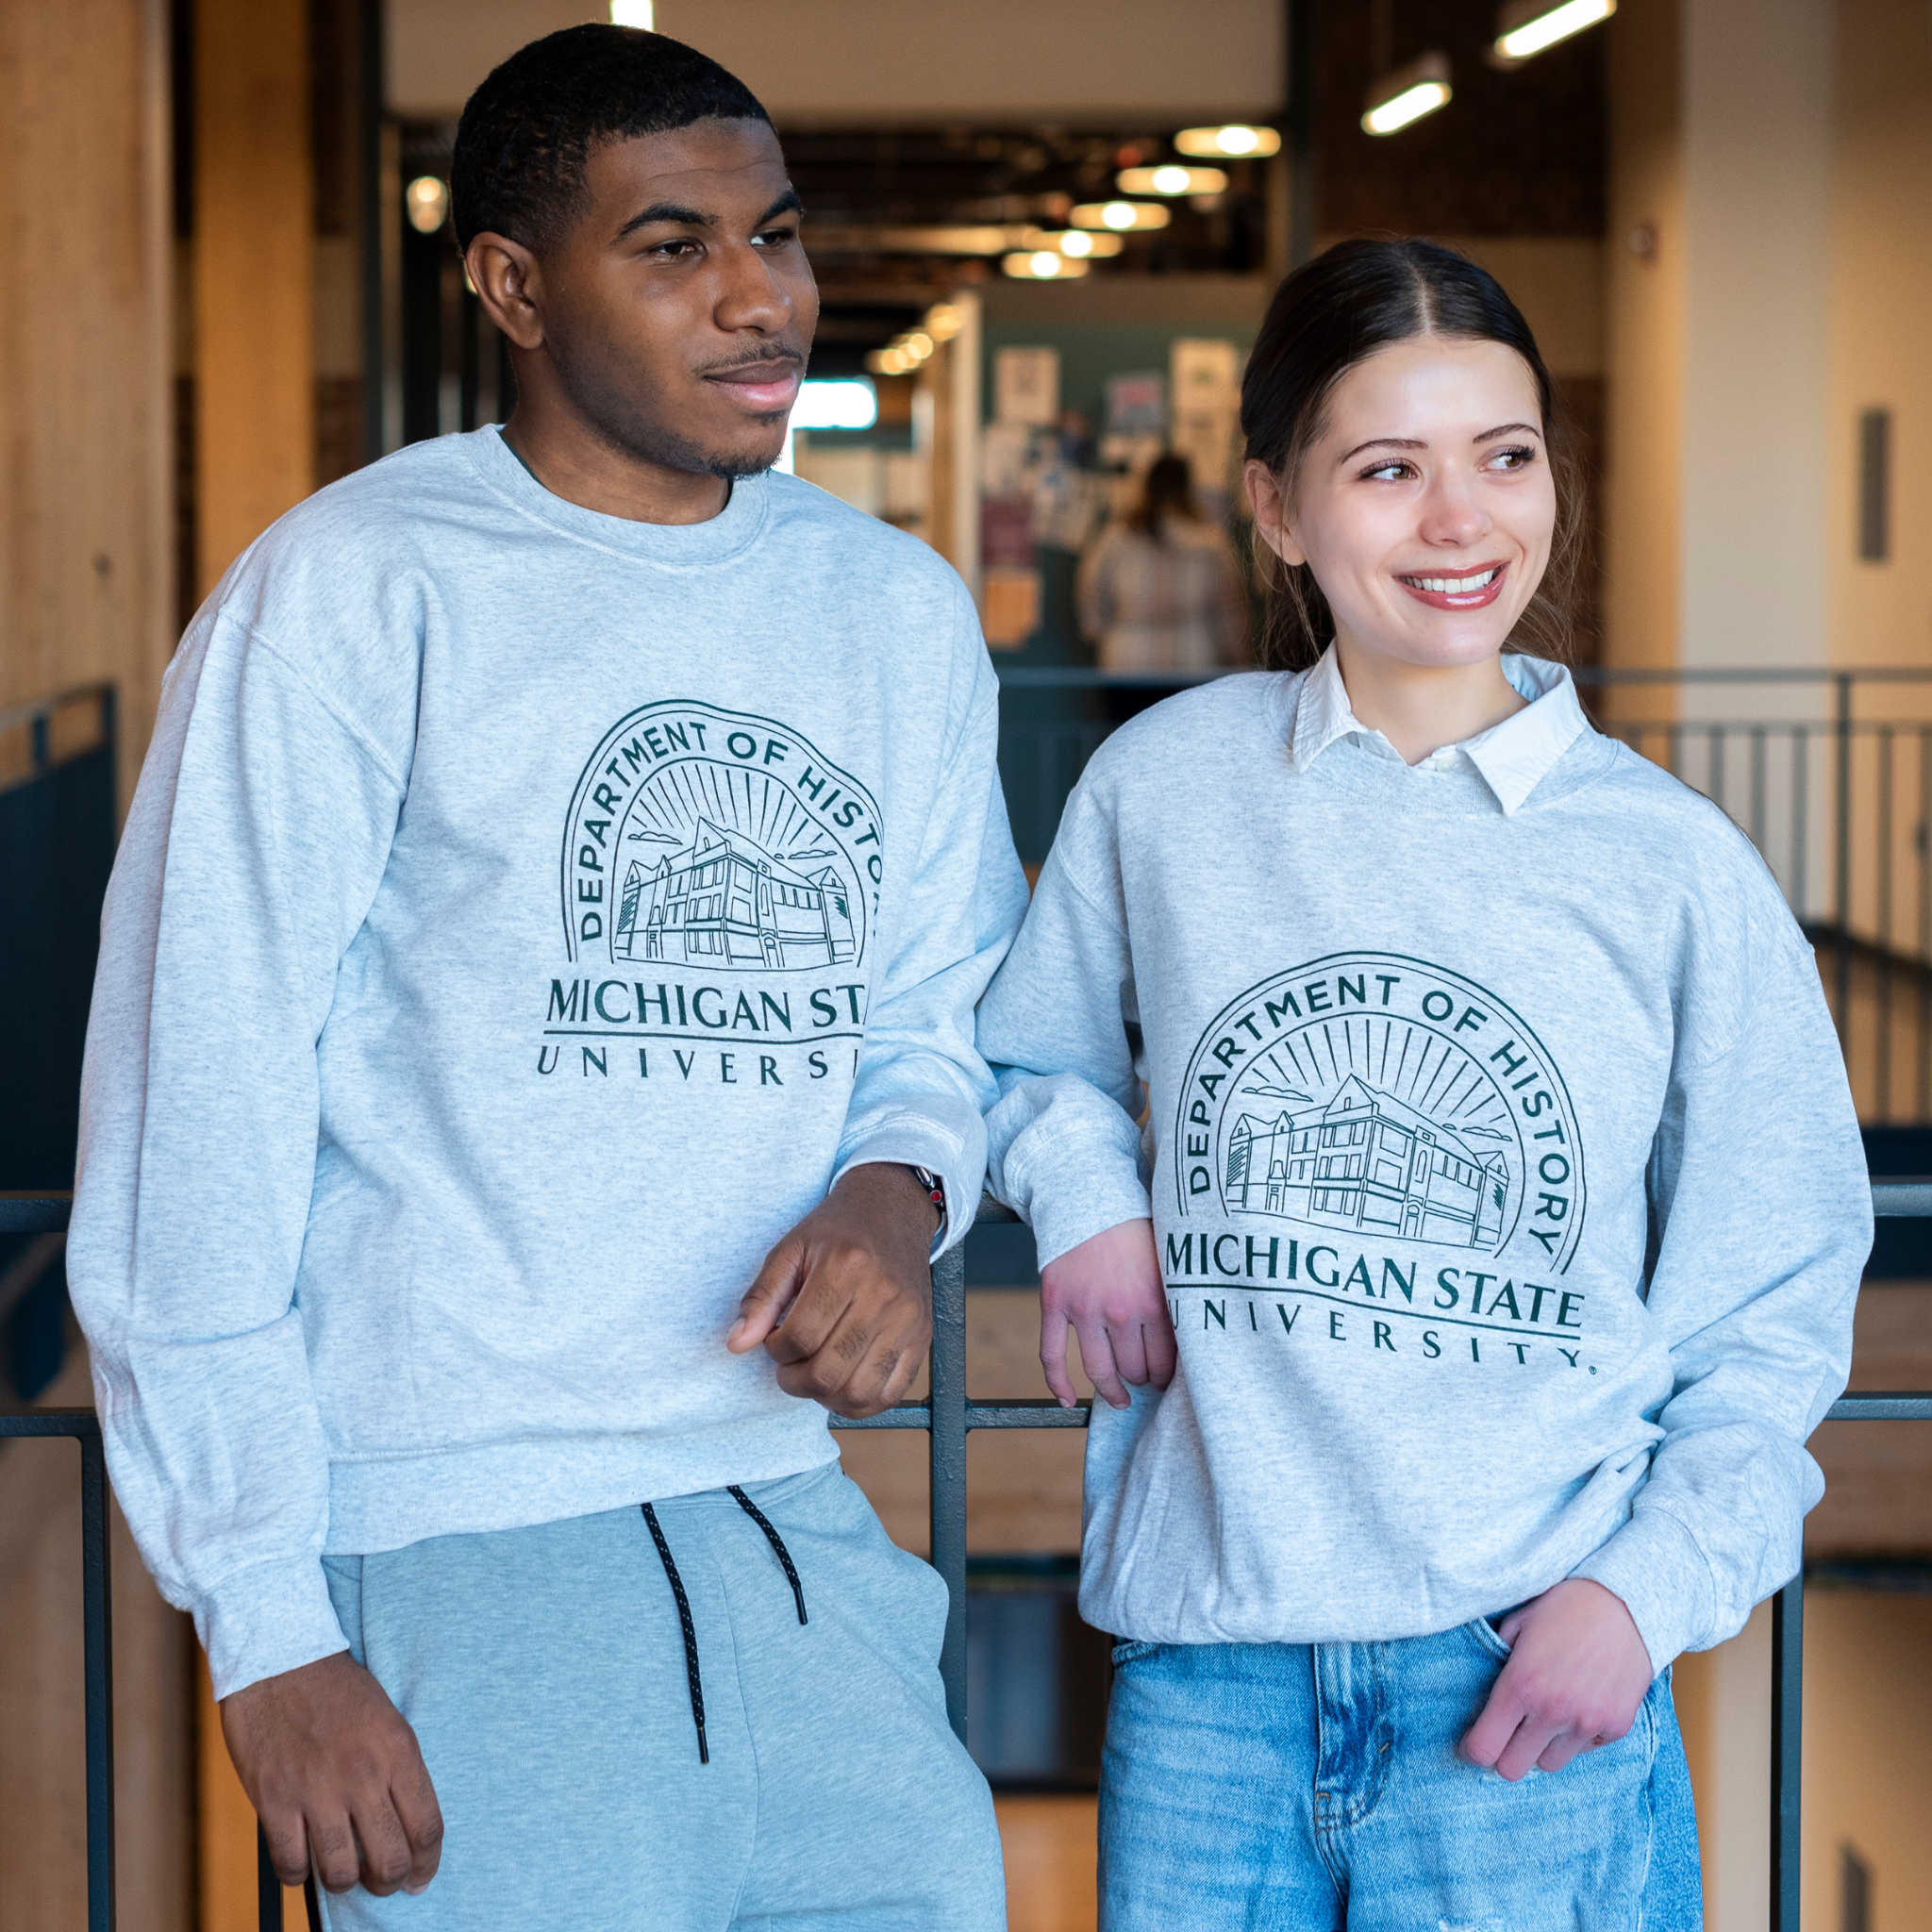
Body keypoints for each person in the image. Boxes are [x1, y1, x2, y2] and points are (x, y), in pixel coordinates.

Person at [68, 25, 1025, 1930]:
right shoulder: (351, 592)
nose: (758, 297)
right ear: (512, 285)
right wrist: (266, 1626)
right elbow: (198, 1117)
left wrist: (895, 1188)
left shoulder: (892, 610)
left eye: (775, 233)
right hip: (452, 1554)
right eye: (673, 247)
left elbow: (937, 1016)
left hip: (795, 1528)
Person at [974, 239, 1869, 1929]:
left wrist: (1641, 1593)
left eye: (1503, 456)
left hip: (1526, 1670)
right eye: (1389, 469)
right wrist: (1085, 1197)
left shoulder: (1671, 865)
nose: (1461, 521)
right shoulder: (1165, 786)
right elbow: (1032, 1049)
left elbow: (1775, 1297)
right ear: (1277, 507)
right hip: (1207, 1678)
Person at [1075, 451, 1245, 675]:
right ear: (1188, 489)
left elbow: (1091, 596)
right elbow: (1229, 612)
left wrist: (1099, 630)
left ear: (1145, 487)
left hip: (1128, 660)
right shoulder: (1210, 543)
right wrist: (1239, 659)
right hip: (1193, 661)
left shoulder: (1115, 539)